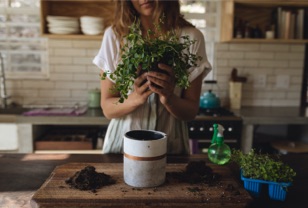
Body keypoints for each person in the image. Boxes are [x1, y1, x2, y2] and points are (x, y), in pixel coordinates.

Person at [93, 0, 212, 155]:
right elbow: (108, 109)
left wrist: (169, 98)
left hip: (171, 149)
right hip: (122, 149)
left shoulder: (191, 37)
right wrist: (136, 98)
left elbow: (190, 111)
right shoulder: (116, 36)